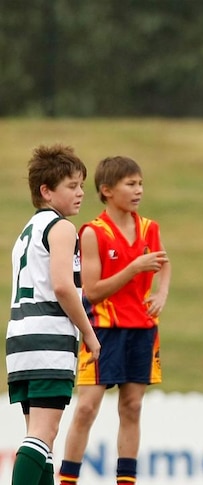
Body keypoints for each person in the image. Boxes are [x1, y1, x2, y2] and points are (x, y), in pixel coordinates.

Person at [59, 156, 171, 485]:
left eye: (140, 184)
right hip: (103, 329)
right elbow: (91, 292)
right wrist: (134, 268)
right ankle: (67, 480)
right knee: (87, 408)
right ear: (107, 190)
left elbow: (164, 262)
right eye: (130, 184)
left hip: (142, 329)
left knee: (132, 407)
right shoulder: (93, 233)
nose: (138, 191)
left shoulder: (150, 228)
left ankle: (126, 481)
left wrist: (162, 293)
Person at [6, 144, 102, 485]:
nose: (80, 194)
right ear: (46, 191)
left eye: (81, 185)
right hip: (48, 336)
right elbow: (63, 287)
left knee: (42, 436)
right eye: (71, 186)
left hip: (21, 337)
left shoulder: (26, 231)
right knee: (43, 433)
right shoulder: (61, 228)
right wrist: (89, 332)